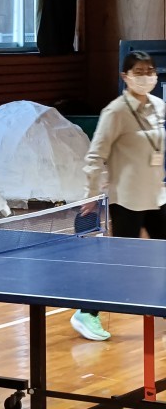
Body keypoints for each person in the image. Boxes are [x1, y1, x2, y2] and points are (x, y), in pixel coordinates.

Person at [70, 50, 166, 341]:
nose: (145, 76)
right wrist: (90, 195)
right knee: (121, 265)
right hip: (126, 200)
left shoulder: (159, 106)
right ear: (125, 76)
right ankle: (86, 312)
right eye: (138, 71)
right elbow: (95, 156)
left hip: (157, 197)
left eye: (149, 71)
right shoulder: (115, 112)